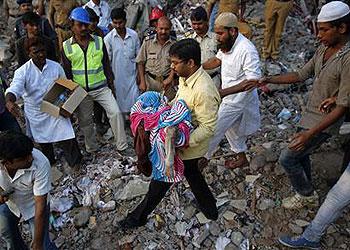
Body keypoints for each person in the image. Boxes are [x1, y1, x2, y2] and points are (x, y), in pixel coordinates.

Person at [245, 1, 350, 209]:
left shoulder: (347, 59)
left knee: (287, 158)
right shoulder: (324, 48)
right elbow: (301, 75)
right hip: (311, 114)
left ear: (342, 28)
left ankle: (306, 194)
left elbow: (342, 107)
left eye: (324, 30)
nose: (318, 35)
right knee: (301, 154)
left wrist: (308, 134)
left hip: (324, 123)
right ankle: (307, 187)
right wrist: (269, 79)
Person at [120, 39, 221, 229]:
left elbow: (208, 128)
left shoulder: (204, 90)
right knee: (193, 174)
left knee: (161, 181)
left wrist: (178, 142)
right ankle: (211, 210)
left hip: (188, 147)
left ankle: (137, 218)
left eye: (175, 63)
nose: (172, 67)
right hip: (180, 141)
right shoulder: (186, 78)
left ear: (190, 63)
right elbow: (180, 101)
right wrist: (167, 108)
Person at [5, 37, 82, 168]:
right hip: (36, 113)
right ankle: (50, 165)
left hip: (55, 107)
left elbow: (66, 87)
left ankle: (76, 164)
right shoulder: (22, 71)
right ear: (29, 53)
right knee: (44, 143)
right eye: (36, 52)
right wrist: (10, 101)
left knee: (67, 135)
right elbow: (14, 88)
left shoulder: (55, 67)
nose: (41, 54)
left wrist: (68, 109)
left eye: (42, 51)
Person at [61, 7, 128, 153]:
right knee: (86, 122)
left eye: (86, 24)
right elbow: (67, 72)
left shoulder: (98, 41)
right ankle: (92, 148)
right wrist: (71, 93)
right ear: (72, 25)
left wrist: (112, 86)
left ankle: (122, 146)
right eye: (80, 25)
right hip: (81, 91)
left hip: (101, 88)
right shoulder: (66, 46)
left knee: (115, 113)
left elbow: (106, 65)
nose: (84, 28)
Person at [202, 12, 261, 169]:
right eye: (216, 33)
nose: (217, 37)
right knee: (231, 129)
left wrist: (223, 93)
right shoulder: (227, 44)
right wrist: (197, 68)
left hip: (240, 99)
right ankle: (242, 157)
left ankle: (200, 160)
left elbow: (253, 81)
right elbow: (216, 60)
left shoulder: (247, 49)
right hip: (228, 96)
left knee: (214, 128)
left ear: (233, 31)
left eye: (220, 33)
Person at [0, 131, 57, 249]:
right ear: (7, 162)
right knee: (7, 233)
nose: (30, 158)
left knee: (44, 245)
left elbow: (40, 208)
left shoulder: (40, 163)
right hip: (10, 204)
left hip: (33, 206)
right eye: (23, 158)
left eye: (30, 153)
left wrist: (37, 243)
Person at [104, 8, 140, 115]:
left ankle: (134, 124)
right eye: (115, 23)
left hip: (133, 76)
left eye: (120, 22)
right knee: (119, 104)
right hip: (117, 77)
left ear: (125, 21)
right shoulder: (108, 39)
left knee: (135, 102)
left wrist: (140, 76)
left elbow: (139, 57)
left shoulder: (133, 35)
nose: (118, 26)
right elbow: (107, 62)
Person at [136, 16, 177, 100]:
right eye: (161, 28)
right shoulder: (148, 42)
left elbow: (176, 63)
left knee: (167, 108)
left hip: (167, 84)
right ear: (156, 28)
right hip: (150, 82)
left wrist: (170, 78)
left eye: (166, 29)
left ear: (170, 29)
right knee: (149, 108)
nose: (163, 31)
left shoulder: (175, 44)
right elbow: (140, 62)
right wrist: (142, 82)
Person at [187, 6, 220, 88]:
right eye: (194, 24)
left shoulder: (216, 39)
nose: (197, 27)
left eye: (199, 23)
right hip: (195, 82)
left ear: (207, 21)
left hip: (213, 81)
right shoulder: (188, 39)